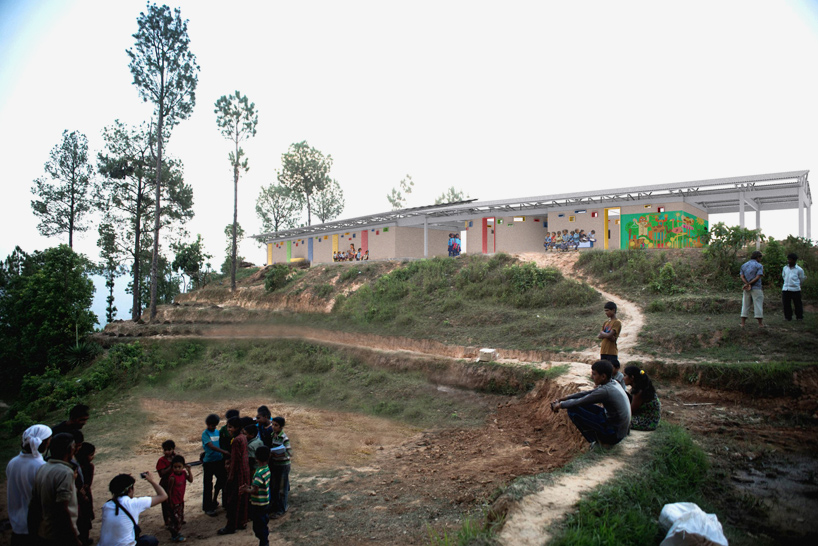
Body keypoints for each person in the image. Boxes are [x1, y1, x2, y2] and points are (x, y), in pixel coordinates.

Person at [550, 360, 631, 448]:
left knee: (573, 410)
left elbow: (581, 401)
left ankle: (599, 442)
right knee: (579, 406)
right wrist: (563, 399)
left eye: (594, 374)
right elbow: (587, 393)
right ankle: (601, 439)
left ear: (603, 376)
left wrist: (560, 405)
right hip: (619, 427)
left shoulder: (605, 391)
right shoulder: (612, 383)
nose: (592, 377)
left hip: (614, 434)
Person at [28, 432, 81, 546]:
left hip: (44, 531)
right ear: (70, 449)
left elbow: (34, 503)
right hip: (60, 534)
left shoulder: (43, 468)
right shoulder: (65, 473)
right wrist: (74, 538)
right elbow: (62, 508)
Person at [6, 424, 52, 546]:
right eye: (49, 440)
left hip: (17, 524)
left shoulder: (12, 462)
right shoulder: (40, 466)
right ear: (43, 443)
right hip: (35, 525)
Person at [97, 472, 167, 546]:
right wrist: (151, 481)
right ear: (130, 489)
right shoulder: (133, 504)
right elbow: (163, 496)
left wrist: (122, 480)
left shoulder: (106, 506)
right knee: (151, 540)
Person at [218, 417, 249, 535]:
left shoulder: (236, 440)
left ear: (236, 428)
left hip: (238, 473)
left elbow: (235, 460)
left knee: (233, 500)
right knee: (242, 499)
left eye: (230, 427)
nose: (228, 429)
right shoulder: (243, 437)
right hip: (244, 471)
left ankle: (231, 526)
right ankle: (242, 522)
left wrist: (230, 476)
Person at [240, 446, 272, 546]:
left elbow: (255, 490)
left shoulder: (258, 473)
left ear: (256, 458)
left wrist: (246, 489)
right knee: (263, 523)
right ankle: (264, 540)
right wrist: (250, 487)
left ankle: (264, 542)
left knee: (258, 526)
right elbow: (259, 486)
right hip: (265, 501)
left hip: (258, 504)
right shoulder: (267, 469)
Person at [201, 413, 228, 517]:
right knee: (208, 485)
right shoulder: (205, 434)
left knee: (223, 481)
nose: (211, 427)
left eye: (213, 425)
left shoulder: (217, 432)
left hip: (219, 461)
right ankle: (207, 507)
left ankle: (223, 502)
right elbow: (211, 446)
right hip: (209, 462)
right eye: (209, 425)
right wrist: (224, 451)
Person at [624, 366, 661, 431]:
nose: (623, 378)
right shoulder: (641, 387)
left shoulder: (639, 392)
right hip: (650, 420)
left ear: (632, 378)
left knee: (619, 420)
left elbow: (630, 411)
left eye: (625, 375)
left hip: (646, 422)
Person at [166, 455, 193, 542]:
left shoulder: (184, 473)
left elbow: (191, 480)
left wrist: (189, 471)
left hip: (180, 500)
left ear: (183, 466)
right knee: (175, 519)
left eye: (179, 467)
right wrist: (170, 502)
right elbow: (169, 491)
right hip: (174, 501)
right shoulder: (172, 478)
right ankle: (175, 535)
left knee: (180, 518)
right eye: (175, 467)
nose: (177, 469)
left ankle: (176, 533)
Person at [269, 416, 292, 518]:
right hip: (275, 464)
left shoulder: (284, 438)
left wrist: (280, 454)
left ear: (281, 427)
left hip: (283, 465)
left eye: (276, 425)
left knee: (282, 488)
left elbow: (289, 452)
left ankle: (282, 509)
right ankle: (275, 506)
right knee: (274, 486)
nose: (273, 427)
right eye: (272, 424)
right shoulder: (272, 435)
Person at [75, 442, 96, 546]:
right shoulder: (75, 467)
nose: (93, 457)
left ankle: (85, 539)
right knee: (81, 520)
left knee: (86, 520)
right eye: (91, 455)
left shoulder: (89, 467)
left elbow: (88, 483)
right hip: (80, 499)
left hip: (85, 497)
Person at [740, 250, 765, 328]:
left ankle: (743, 323)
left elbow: (742, 276)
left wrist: (747, 284)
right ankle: (760, 324)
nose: (760, 259)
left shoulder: (744, 265)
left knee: (745, 305)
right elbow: (758, 276)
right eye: (760, 258)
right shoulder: (759, 265)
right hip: (756, 287)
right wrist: (750, 284)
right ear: (758, 257)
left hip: (746, 288)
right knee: (758, 305)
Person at [155, 440, 176, 530]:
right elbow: (162, 473)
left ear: (173, 449)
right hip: (165, 484)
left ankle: (176, 518)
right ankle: (167, 521)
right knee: (166, 503)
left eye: (169, 449)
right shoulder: (161, 460)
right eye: (165, 450)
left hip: (175, 483)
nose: (167, 452)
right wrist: (171, 465)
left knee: (175, 501)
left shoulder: (176, 457)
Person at [782, 252, 806, 321]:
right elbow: (783, 276)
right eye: (788, 259)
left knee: (797, 304)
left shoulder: (799, 269)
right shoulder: (785, 268)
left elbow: (801, 279)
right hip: (786, 289)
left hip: (795, 289)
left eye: (790, 260)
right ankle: (788, 317)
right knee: (786, 304)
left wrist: (796, 284)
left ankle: (799, 317)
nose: (789, 261)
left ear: (794, 260)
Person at [598, 301, 621, 370]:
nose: (606, 313)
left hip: (611, 352)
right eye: (605, 311)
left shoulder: (617, 322)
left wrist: (603, 334)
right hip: (603, 351)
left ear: (613, 310)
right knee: (603, 371)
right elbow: (599, 336)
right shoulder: (606, 322)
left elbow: (608, 335)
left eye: (607, 311)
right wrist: (607, 335)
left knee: (610, 371)